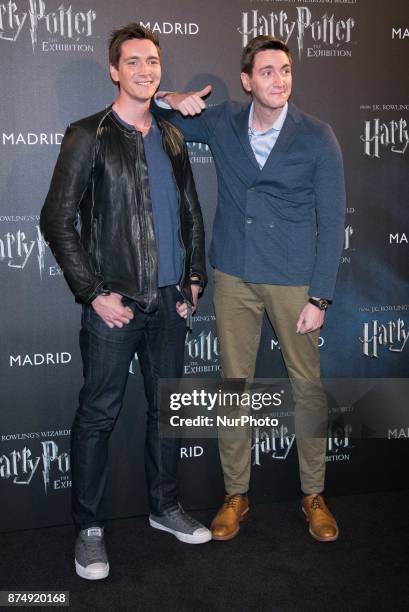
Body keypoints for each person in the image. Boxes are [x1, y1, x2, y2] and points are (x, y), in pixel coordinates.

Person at [155, 35, 346, 543]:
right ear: (247, 81)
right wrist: (169, 97)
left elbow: (332, 221)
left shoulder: (318, 136)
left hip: (294, 280)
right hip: (234, 275)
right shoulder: (221, 122)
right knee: (232, 386)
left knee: (306, 388)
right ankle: (236, 495)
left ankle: (313, 494)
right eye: (267, 72)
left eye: (285, 70)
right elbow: (164, 121)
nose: (279, 80)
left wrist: (320, 296)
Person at [40, 22, 211, 581]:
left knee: (169, 412)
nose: (144, 70)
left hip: (169, 302)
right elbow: (56, 219)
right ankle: (89, 529)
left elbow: (190, 211)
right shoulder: (87, 133)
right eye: (133, 61)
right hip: (116, 306)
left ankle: (164, 509)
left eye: (153, 61)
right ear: (114, 70)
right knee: (97, 417)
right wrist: (93, 293)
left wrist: (191, 280)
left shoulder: (172, 137)